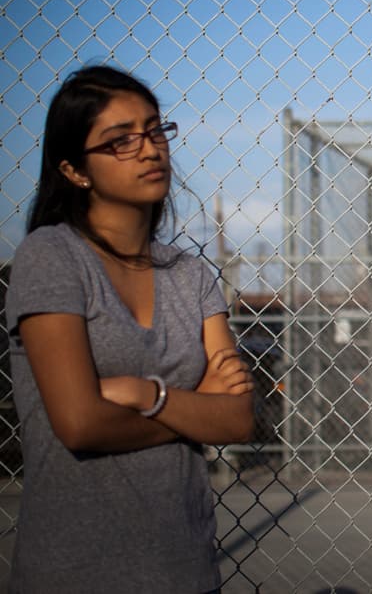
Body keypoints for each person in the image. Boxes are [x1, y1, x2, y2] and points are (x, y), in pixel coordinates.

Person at [5, 65, 255, 593]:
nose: (148, 149)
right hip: (73, 573)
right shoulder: (52, 258)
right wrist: (191, 408)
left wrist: (145, 394)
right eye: (119, 141)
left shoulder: (189, 275)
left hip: (187, 571)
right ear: (75, 171)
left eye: (154, 129)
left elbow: (235, 419)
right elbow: (80, 424)